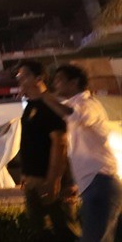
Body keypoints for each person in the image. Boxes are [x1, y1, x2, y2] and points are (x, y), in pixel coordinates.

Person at [30, 64, 122, 242]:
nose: (55, 84)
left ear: (74, 83)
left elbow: (73, 115)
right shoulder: (70, 105)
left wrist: (43, 94)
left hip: (102, 185)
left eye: (59, 80)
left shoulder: (88, 104)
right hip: (93, 186)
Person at [16, 60, 79, 241]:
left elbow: (59, 143)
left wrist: (53, 180)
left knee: (65, 231)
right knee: (39, 233)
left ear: (39, 78)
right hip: (32, 182)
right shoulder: (30, 107)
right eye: (18, 76)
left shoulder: (50, 106)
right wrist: (26, 174)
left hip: (50, 181)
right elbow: (31, 143)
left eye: (24, 75)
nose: (19, 79)